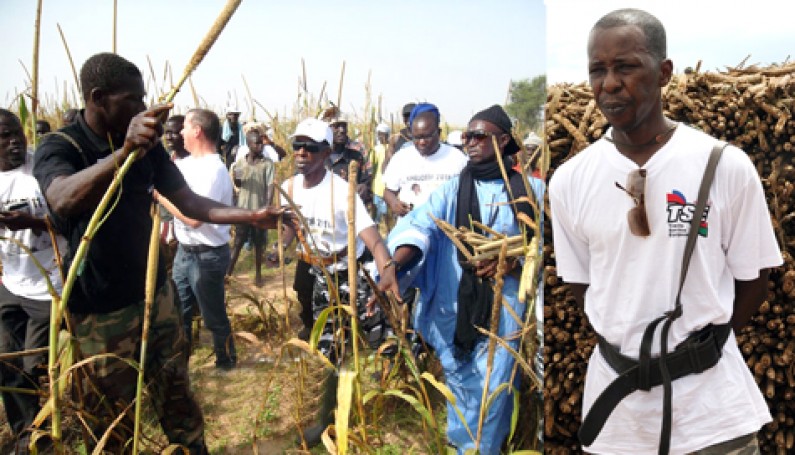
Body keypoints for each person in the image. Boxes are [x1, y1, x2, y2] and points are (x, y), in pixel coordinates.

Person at [548, 9, 782, 454]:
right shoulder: (571, 180)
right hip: (617, 421)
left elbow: (755, 281)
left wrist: (694, 352)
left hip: (712, 416)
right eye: (598, 70)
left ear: (665, 73)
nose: (609, 83)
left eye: (626, 67)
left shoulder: (723, 166)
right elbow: (581, 283)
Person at [33, 52, 289, 454]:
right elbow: (63, 198)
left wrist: (251, 216)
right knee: (110, 421)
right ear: (98, 98)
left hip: (155, 298)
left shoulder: (147, 148)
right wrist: (122, 153)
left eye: (143, 97)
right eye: (132, 99)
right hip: (98, 314)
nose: (142, 107)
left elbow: (188, 201)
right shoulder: (61, 145)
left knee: (178, 398)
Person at [387, 104, 533, 454]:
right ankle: (463, 443)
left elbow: (544, 245)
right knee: (461, 381)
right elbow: (421, 224)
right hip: (455, 304)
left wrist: (513, 261)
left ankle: (480, 448)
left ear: (503, 141)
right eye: (467, 136)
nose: (470, 142)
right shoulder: (453, 190)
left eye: (479, 136)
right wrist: (395, 263)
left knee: (494, 384)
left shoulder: (528, 192)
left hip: (505, 308)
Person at [278, 118, 399, 448]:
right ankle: (326, 417)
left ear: (327, 152)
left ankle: (398, 385)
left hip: (348, 271)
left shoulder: (342, 192)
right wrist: (280, 243)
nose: (302, 152)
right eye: (297, 146)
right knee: (327, 345)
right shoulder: (288, 188)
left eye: (311, 147)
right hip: (314, 273)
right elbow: (289, 232)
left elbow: (372, 238)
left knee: (377, 335)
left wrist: (386, 265)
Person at [0, 109, 65, 454]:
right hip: (11, 283)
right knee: (6, 363)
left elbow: (70, 219)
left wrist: (33, 223)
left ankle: (45, 430)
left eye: (15, 133)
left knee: (33, 366)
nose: (13, 141)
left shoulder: (42, 168)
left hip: (50, 284)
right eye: (3, 136)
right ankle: (27, 436)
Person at [158, 108, 238, 371]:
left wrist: (160, 198)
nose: (179, 132)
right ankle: (184, 359)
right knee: (179, 311)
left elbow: (194, 219)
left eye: (185, 127)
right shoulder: (185, 164)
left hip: (208, 256)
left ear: (197, 131)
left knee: (212, 315)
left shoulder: (214, 171)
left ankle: (226, 361)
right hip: (185, 252)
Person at [382, 102, 468, 217]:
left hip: (447, 229)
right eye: (417, 137)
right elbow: (389, 191)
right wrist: (394, 203)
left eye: (427, 136)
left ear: (438, 132)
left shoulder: (457, 158)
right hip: (410, 227)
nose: (422, 142)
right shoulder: (401, 158)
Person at [227, 128, 275, 287]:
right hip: (243, 211)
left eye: (261, 143)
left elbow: (270, 187)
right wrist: (236, 178)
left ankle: (258, 275)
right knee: (238, 243)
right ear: (249, 144)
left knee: (258, 244)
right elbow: (239, 184)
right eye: (257, 143)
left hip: (259, 211)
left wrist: (267, 208)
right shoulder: (240, 163)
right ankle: (228, 275)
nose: (260, 146)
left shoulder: (267, 164)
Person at [158, 115, 188, 275]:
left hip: (184, 226)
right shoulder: (168, 159)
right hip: (165, 221)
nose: (168, 137)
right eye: (166, 132)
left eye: (173, 133)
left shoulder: (194, 163)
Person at [369, 122, 391, 225]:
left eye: (384, 134)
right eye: (380, 134)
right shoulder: (375, 150)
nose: (382, 136)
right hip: (377, 187)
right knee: (376, 216)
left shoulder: (391, 149)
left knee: (387, 216)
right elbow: (371, 167)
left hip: (388, 187)